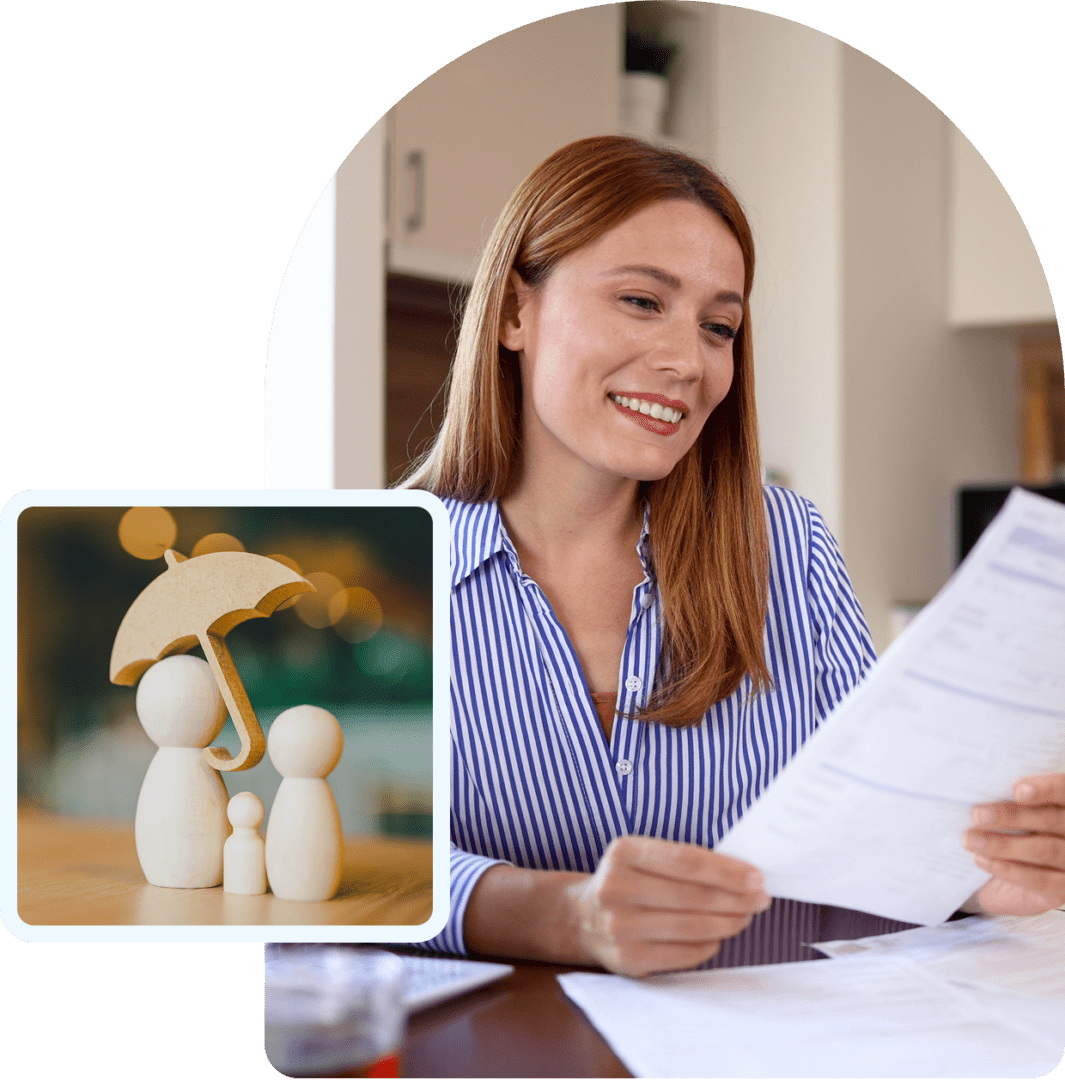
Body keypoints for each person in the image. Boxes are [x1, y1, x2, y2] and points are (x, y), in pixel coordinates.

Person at [403, 135, 1065, 976]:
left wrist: (981, 875)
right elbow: (318, 873)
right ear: (512, 311)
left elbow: (869, 835)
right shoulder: (366, 572)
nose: (688, 362)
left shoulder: (785, 546)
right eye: (642, 301)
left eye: (718, 326)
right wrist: (558, 916)